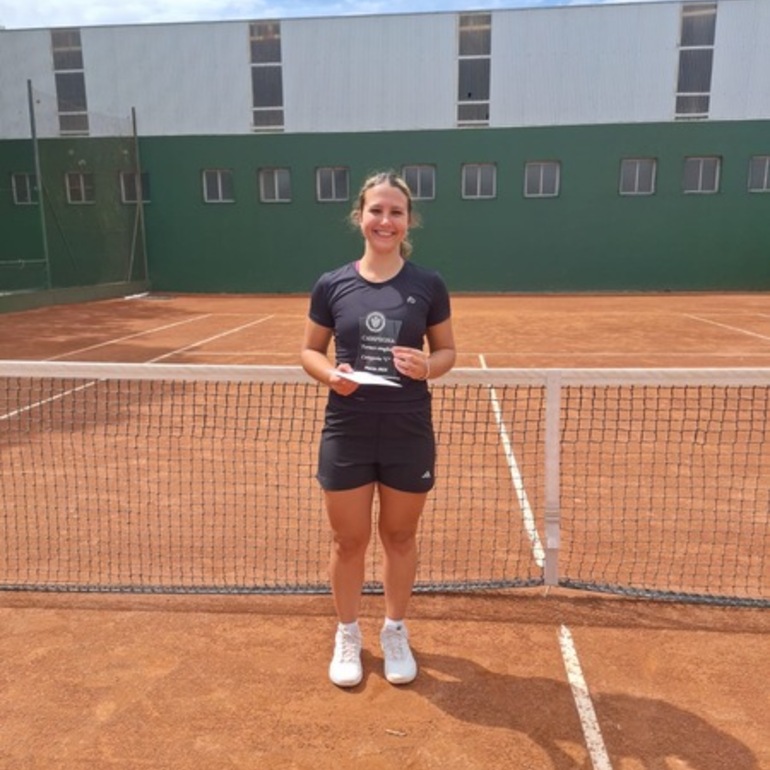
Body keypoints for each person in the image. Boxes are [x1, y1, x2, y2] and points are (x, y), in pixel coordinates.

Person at [300, 170, 456, 688]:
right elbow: (308, 351)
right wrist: (331, 375)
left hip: (408, 429)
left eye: (395, 212)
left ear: (408, 221)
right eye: (376, 211)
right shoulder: (332, 283)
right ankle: (348, 633)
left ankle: (393, 630)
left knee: (400, 535)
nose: (385, 220)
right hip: (347, 426)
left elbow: (447, 351)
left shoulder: (428, 284)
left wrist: (426, 367)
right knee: (348, 540)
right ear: (360, 217)